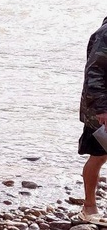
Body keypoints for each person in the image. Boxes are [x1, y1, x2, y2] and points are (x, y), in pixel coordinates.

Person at [78, 16, 107, 225]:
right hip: (101, 108)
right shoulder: (104, 34)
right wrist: (102, 109)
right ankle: (88, 207)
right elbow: (94, 72)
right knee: (99, 155)